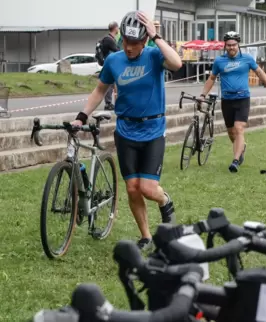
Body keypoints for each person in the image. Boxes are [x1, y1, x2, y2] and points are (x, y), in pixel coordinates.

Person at [71, 11, 182, 250]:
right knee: (132, 188)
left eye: (135, 43)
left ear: (144, 41)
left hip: (153, 129)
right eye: (126, 42)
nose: (129, 48)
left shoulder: (154, 55)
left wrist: (157, 36)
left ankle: (165, 200)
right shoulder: (114, 61)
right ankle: (146, 236)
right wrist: (82, 116)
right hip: (126, 130)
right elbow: (100, 91)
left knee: (148, 188)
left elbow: (177, 63)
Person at [200, 31, 266, 173]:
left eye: (234, 45)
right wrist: (203, 94)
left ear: (238, 45)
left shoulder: (247, 59)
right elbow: (211, 79)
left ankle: (235, 161)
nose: (231, 48)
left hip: (242, 98)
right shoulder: (219, 61)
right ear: (225, 46)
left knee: (239, 128)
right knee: (231, 133)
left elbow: (259, 72)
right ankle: (241, 147)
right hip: (227, 100)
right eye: (228, 45)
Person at [101, 22, 120, 111]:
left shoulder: (110, 38)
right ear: (115, 28)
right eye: (118, 28)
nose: (118, 29)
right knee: (109, 84)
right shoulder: (109, 39)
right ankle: (108, 104)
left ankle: (109, 103)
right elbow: (117, 51)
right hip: (109, 64)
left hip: (110, 64)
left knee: (111, 84)